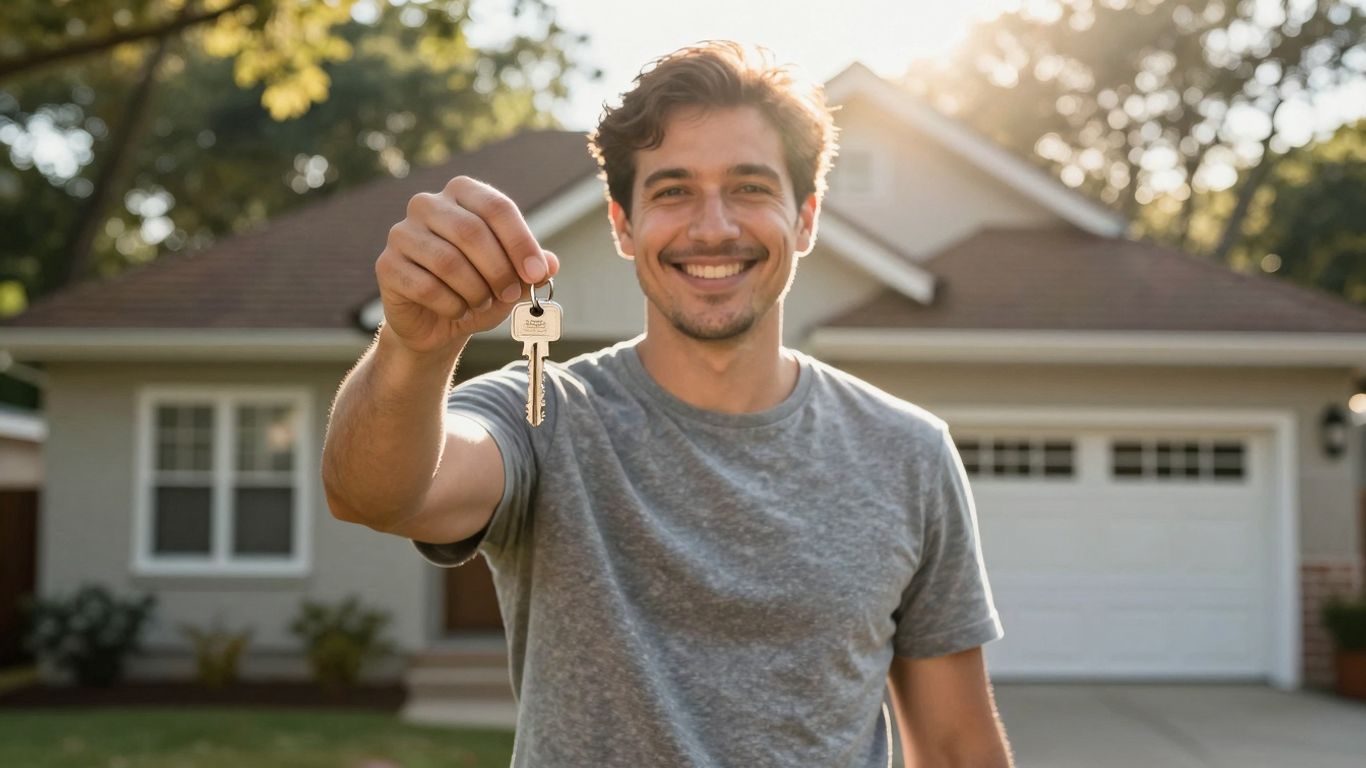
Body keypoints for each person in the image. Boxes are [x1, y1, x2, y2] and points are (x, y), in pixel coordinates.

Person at [322, 41, 1013, 768]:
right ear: (623, 225)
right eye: (673, 191)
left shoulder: (907, 452)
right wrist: (414, 347)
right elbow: (375, 493)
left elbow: (955, 746)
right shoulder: (542, 417)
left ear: (805, 218)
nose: (712, 228)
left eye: (749, 188)